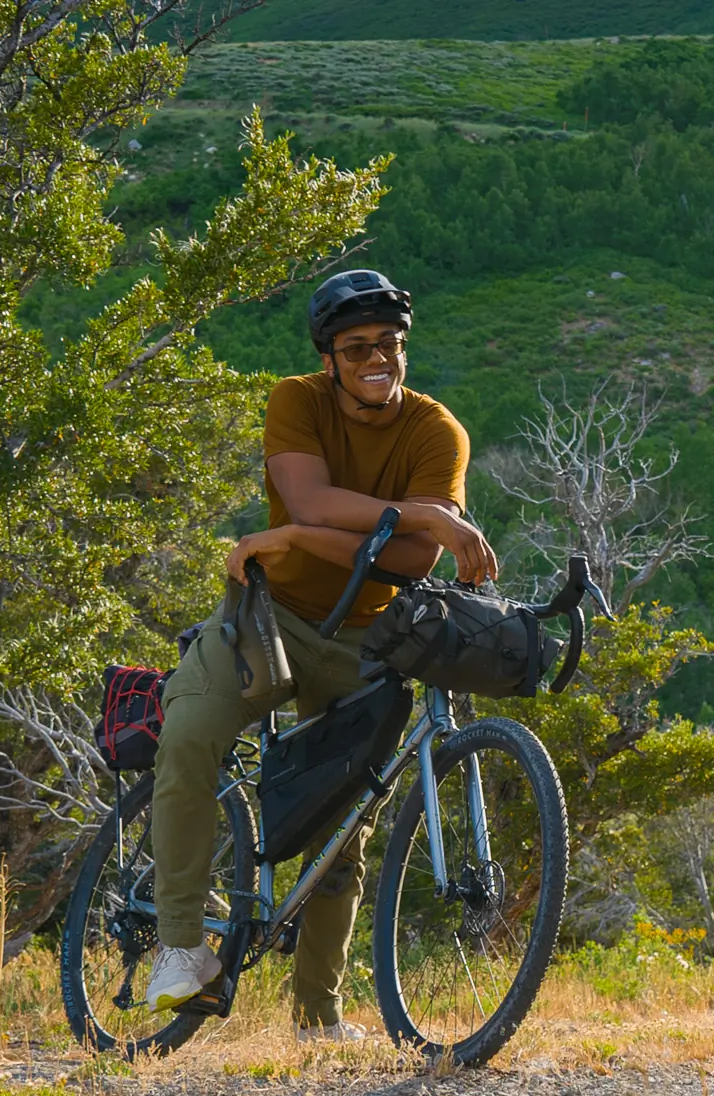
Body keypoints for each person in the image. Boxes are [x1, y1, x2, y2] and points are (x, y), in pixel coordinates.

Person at [141, 270, 500, 1039]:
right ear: (329, 357)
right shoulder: (294, 401)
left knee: (344, 828)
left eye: (390, 345)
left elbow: (412, 563)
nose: (378, 359)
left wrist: (312, 536)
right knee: (191, 735)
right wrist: (419, 515)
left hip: (365, 639)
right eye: (357, 347)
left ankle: (317, 1018)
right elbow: (310, 499)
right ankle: (179, 946)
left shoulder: (438, 433)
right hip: (267, 618)